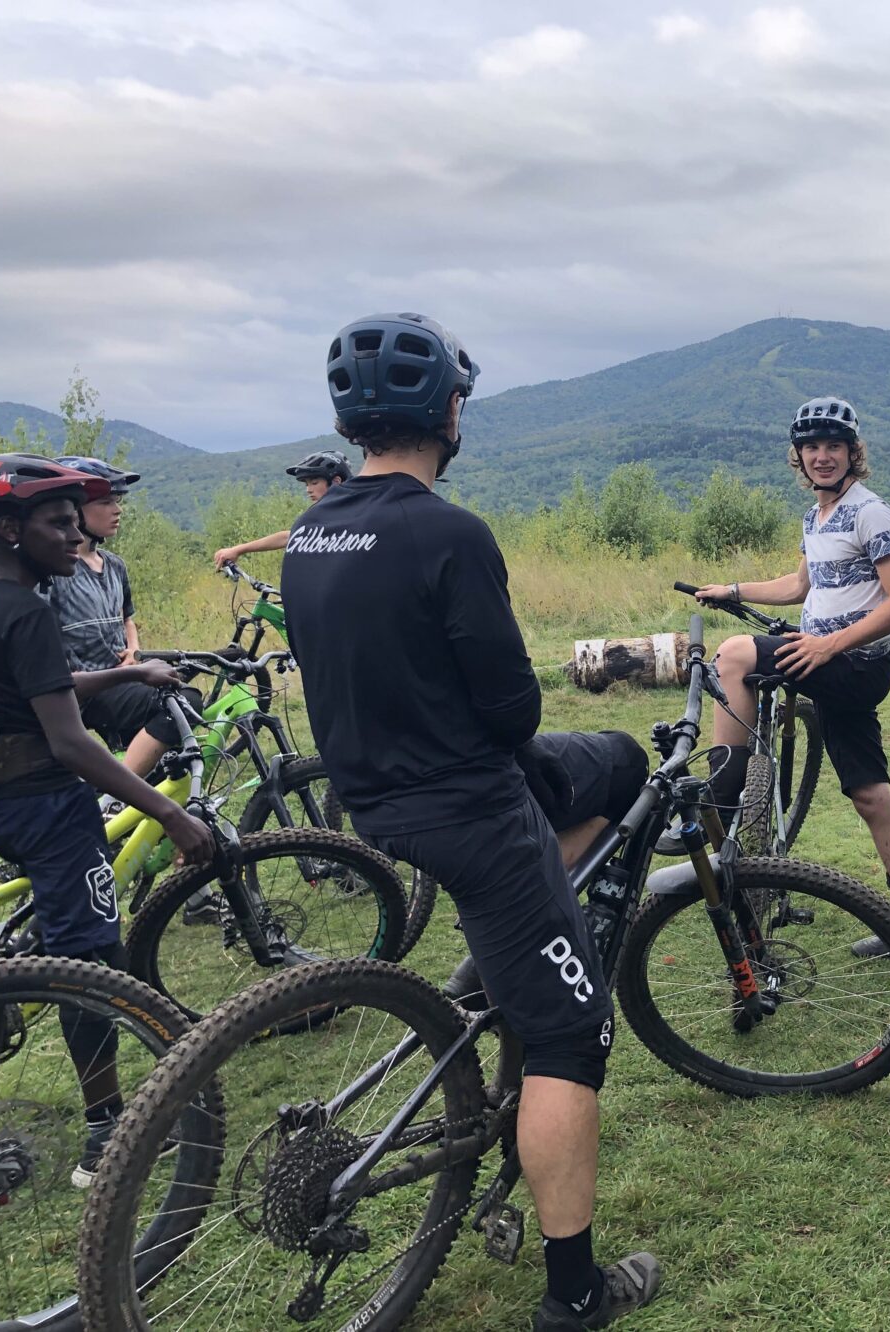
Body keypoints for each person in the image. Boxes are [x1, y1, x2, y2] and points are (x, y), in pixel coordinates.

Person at [282, 313, 658, 1332]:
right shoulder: (447, 532)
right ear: (449, 411)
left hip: (377, 801)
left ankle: (528, 941)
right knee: (571, 1042)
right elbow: (513, 713)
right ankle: (576, 1294)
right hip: (473, 809)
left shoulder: (314, 529)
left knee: (616, 761)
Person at [0, 453, 214, 1184]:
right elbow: (68, 737)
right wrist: (170, 814)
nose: (74, 535)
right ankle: (104, 1134)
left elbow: (35, 691)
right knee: (91, 966)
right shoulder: (28, 611)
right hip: (48, 809)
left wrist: (128, 670)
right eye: (58, 523)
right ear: (8, 529)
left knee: (60, 933)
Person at [692, 395, 890, 958]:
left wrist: (829, 644)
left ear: (854, 453)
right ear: (798, 457)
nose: (822, 456)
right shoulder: (818, 516)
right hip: (831, 663)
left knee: (733, 656)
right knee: (871, 795)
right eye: (811, 447)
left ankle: (720, 799)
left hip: (853, 664)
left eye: (834, 446)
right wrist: (731, 590)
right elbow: (798, 587)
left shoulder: (870, 512)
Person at [45, 456, 200, 775]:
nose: (117, 510)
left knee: (168, 768)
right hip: (87, 688)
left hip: (122, 676)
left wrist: (133, 649)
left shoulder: (114, 565)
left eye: (117, 501)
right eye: (106, 501)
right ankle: (119, 793)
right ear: (74, 509)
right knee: (183, 702)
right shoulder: (55, 572)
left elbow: (127, 618)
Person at [211, 448, 350, 569]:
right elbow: (289, 536)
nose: (308, 490)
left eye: (314, 482)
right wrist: (238, 549)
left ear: (336, 481)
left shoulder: (350, 513)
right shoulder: (322, 515)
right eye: (306, 484)